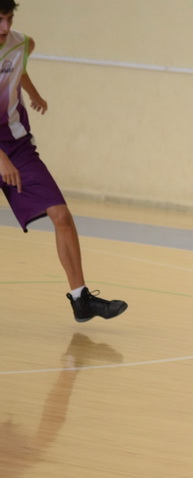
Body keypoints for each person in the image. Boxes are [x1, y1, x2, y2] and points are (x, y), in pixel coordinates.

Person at [0, 0, 127, 322]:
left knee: (61, 214)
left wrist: (33, 93)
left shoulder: (22, 43)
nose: (5, 27)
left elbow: (17, 67)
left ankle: (81, 299)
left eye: (9, 19)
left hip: (17, 145)